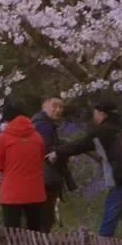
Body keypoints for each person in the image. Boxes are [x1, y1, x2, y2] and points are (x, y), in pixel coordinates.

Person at [54, 99, 122, 240]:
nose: (94, 116)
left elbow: (80, 145)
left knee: (110, 219)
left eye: (95, 113)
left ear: (102, 114)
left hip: (121, 181)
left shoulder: (104, 130)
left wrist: (57, 153)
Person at [0, 101, 47, 231]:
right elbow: (41, 159)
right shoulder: (37, 137)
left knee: (12, 232)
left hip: (12, 192)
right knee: (35, 230)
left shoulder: (3, 138)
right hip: (35, 190)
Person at [31, 97, 76, 232]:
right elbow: (46, 148)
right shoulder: (43, 124)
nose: (58, 110)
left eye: (61, 107)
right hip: (47, 176)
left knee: (41, 216)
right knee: (45, 217)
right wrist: (64, 153)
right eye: (54, 106)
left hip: (43, 176)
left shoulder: (41, 123)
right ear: (44, 105)